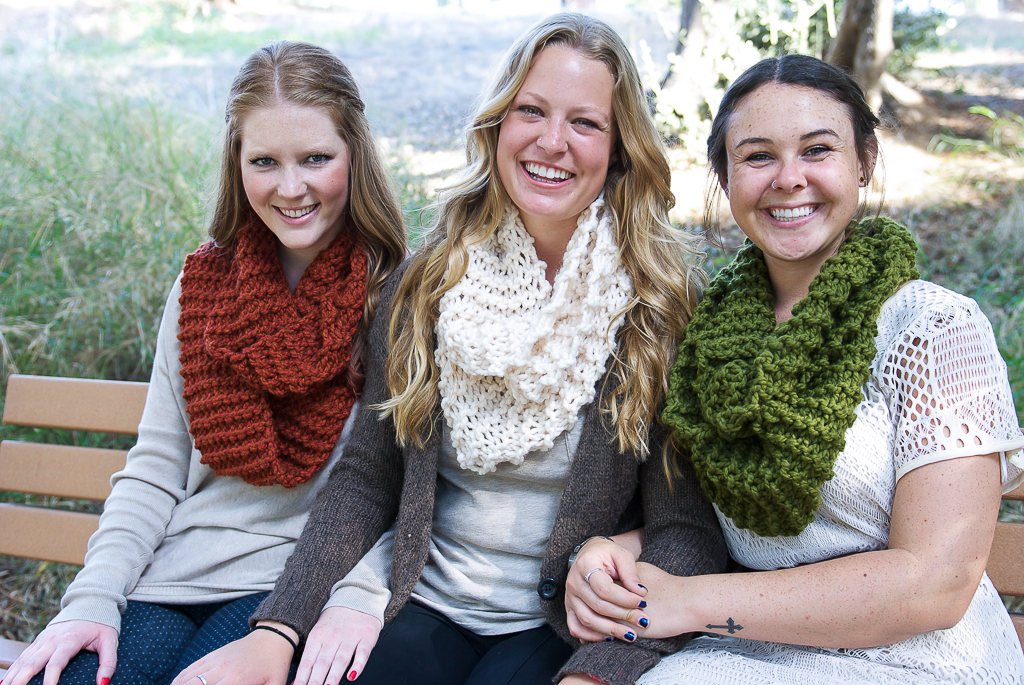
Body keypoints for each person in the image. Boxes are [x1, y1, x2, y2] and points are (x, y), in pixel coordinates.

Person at [171, 13, 728, 685]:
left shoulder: (660, 304)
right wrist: (279, 626)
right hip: (421, 605)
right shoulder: (430, 280)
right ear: (497, 124)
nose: (553, 142)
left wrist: (603, 669)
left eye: (585, 122)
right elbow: (366, 477)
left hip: (559, 627)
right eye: (531, 110)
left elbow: (686, 532)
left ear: (619, 147)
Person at [562, 53, 1024, 684]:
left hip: (918, 659)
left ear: (863, 162)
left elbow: (934, 586)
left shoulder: (931, 330)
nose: (788, 178)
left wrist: (690, 602)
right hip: (759, 647)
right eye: (757, 156)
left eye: (817, 150)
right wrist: (613, 554)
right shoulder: (704, 335)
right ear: (724, 178)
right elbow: (702, 526)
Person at [0, 41, 407, 685]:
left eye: (317, 159)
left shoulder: (397, 293)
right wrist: (92, 601)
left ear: (355, 155)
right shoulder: (204, 287)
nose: (291, 187)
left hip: (296, 589)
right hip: (170, 578)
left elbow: (403, 491)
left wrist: (350, 599)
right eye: (265, 161)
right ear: (236, 162)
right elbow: (156, 468)